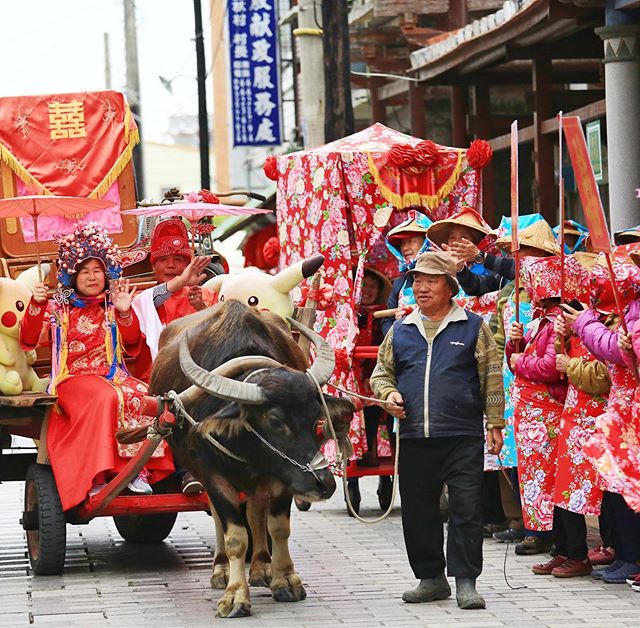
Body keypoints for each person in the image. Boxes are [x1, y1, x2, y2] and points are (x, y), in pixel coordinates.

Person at [370, 251, 504, 610]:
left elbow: (491, 376)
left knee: (465, 507)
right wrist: (388, 394)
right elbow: (381, 374)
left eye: (431, 280)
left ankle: (465, 582)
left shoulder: (474, 326)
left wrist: (495, 423)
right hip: (414, 435)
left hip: (462, 435)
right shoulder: (401, 328)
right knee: (418, 509)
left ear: (450, 286)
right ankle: (431, 579)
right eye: (417, 280)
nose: (421, 287)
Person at [19, 223, 174, 510]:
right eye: (85, 271)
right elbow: (29, 340)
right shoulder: (59, 308)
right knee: (106, 397)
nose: (92, 277)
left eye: (97, 270)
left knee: (143, 394)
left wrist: (126, 312)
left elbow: (131, 345)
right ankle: (100, 472)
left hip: (113, 374)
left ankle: (138, 469)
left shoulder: (111, 306)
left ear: (107, 274)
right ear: (73, 275)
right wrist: (37, 305)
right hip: (72, 378)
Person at [131, 219, 216, 384]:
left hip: (199, 376)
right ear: (153, 267)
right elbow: (130, 339)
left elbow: (218, 337)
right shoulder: (143, 299)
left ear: (187, 264)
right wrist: (182, 281)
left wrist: (201, 307)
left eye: (178, 259)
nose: (170, 265)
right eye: (163, 259)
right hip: (154, 378)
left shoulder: (206, 295)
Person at [427, 208, 509, 296]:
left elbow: (477, 286)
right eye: (452, 237)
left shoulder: (491, 268)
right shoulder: (443, 268)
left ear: (477, 243)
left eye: (464, 237)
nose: (456, 242)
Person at [380, 214, 431, 336]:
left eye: (411, 241)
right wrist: (395, 336)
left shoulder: (445, 276)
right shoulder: (400, 283)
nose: (405, 248)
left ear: (426, 243)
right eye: (402, 243)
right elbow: (387, 320)